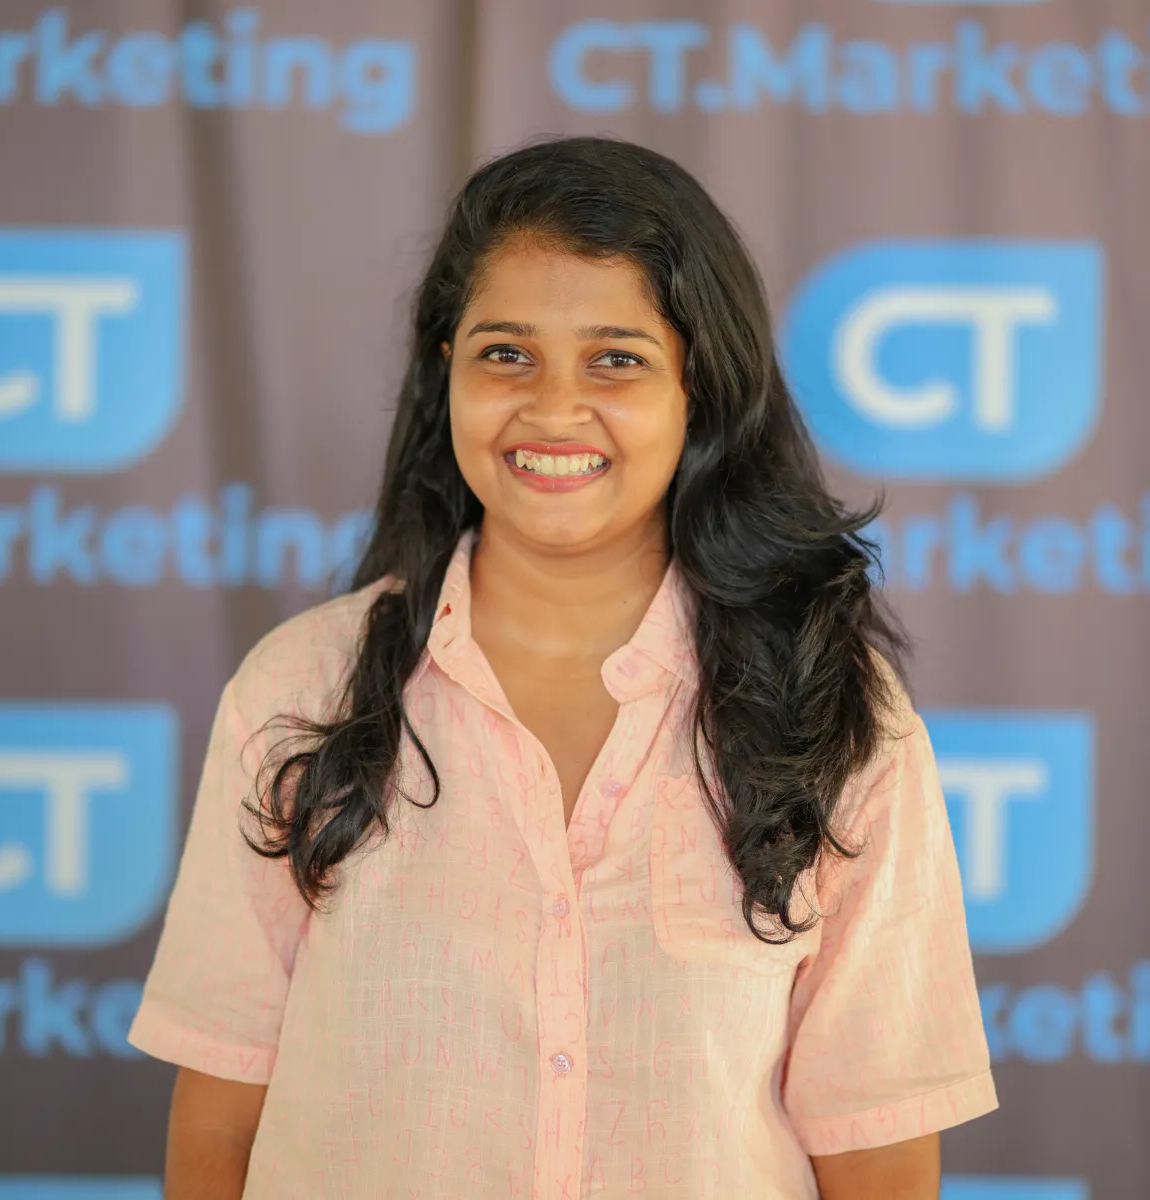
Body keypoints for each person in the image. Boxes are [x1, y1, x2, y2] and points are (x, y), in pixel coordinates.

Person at [128, 135, 997, 1199]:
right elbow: (219, 1124)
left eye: (616, 359)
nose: (551, 408)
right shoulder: (301, 689)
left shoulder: (834, 715)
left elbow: (878, 1154)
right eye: (506, 353)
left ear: (700, 389)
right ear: (445, 369)